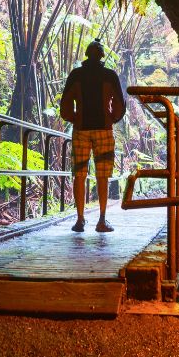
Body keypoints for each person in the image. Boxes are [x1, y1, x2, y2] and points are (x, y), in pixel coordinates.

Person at [58, 39, 126, 233]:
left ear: (87, 55)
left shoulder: (76, 74)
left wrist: (76, 118)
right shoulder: (109, 75)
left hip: (81, 131)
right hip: (104, 131)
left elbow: (65, 106)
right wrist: (110, 119)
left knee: (79, 175)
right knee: (102, 176)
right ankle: (102, 220)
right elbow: (120, 105)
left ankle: (80, 220)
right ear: (102, 56)